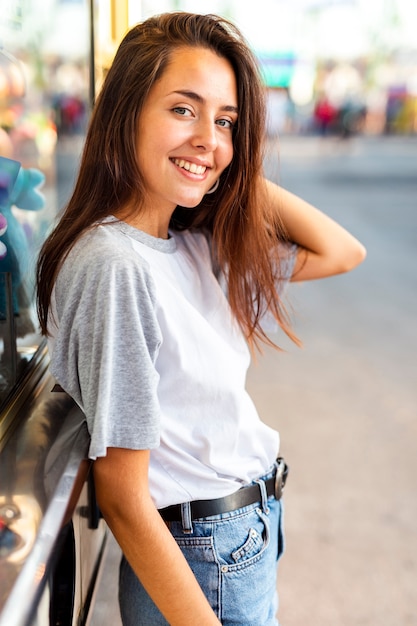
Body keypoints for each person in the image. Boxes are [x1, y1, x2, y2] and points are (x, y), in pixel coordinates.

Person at [36, 12, 366, 626]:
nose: (208, 138)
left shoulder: (192, 245)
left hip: (243, 538)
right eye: (183, 110)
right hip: (202, 558)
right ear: (125, 113)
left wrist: (229, 169)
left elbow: (342, 251)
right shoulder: (116, 265)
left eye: (226, 121)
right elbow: (124, 495)